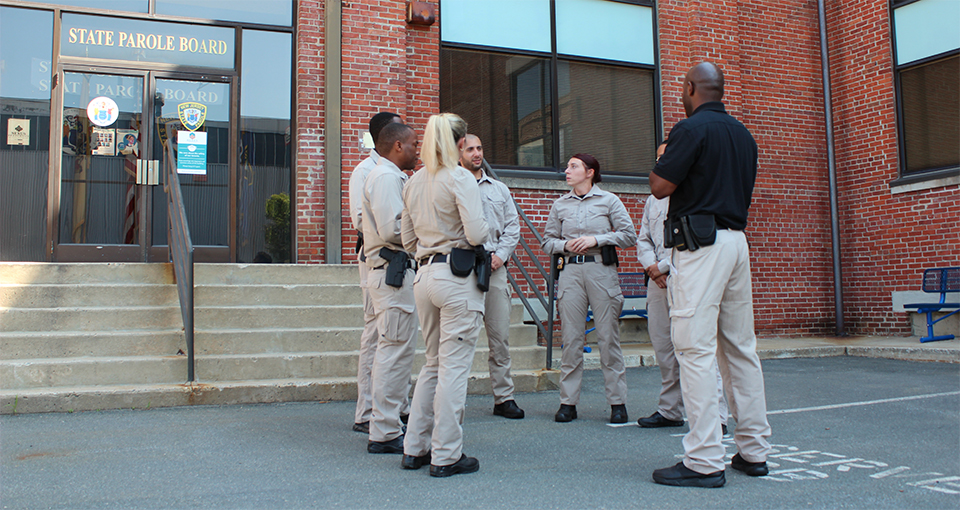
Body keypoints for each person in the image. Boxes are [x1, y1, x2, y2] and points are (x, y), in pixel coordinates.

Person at [649, 62, 772, 488]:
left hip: (701, 247)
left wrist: (662, 159)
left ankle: (703, 459)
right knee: (740, 348)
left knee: (694, 349)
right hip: (737, 242)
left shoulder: (690, 129)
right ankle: (753, 449)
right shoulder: (744, 134)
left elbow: (659, 186)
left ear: (689, 88)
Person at [400, 113, 488, 477]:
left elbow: (406, 239)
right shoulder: (460, 178)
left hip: (424, 274)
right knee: (453, 369)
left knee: (432, 364)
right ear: (457, 142)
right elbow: (478, 233)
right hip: (456, 276)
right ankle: (446, 454)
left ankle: (414, 448)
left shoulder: (414, 180)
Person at [636, 140, 729, 434]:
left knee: (698, 349)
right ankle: (670, 409)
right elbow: (643, 239)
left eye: (666, 157)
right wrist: (652, 268)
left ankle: (717, 416)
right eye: (657, 158)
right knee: (663, 348)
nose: (660, 162)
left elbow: (699, 239)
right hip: (657, 283)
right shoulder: (653, 200)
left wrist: (662, 267)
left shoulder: (695, 194)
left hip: (686, 279)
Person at [541, 153, 638, 424]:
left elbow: (629, 235)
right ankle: (567, 403)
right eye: (567, 166)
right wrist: (565, 246)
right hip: (570, 271)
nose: (567, 171)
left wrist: (598, 238)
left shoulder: (609, 200)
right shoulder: (560, 205)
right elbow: (547, 242)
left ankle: (617, 402)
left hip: (601, 270)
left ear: (590, 172)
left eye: (573, 166)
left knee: (608, 339)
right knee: (571, 339)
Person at [361, 122, 420, 454]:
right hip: (391, 272)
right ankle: (383, 431)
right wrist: (426, 225)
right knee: (393, 352)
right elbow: (391, 230)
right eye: (413, 144)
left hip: (396, 272)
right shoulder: (385, 178)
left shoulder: (393, 177)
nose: (417, 150)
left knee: (397, 351)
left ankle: (391, 421)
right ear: (397, 146)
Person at [458, 134, 525, 420]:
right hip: (462, 269)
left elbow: (513, 225)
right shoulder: (454, 184)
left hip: (496, 267)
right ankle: (454, 400)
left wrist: (502, 255)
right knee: (460, 338)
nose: (476, 153)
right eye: (470, 149)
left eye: (479, 148)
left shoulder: (499, 188)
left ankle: (504, 397)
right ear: (458, 152)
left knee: (500, 338)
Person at [347, 112, 404, 434]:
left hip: (396, 259)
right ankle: (367, 410)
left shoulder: (392, 171)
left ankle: (394, 405)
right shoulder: (367, 170)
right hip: (376, 259)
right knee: (376, 333)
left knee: (390, 334)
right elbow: (359, 219)